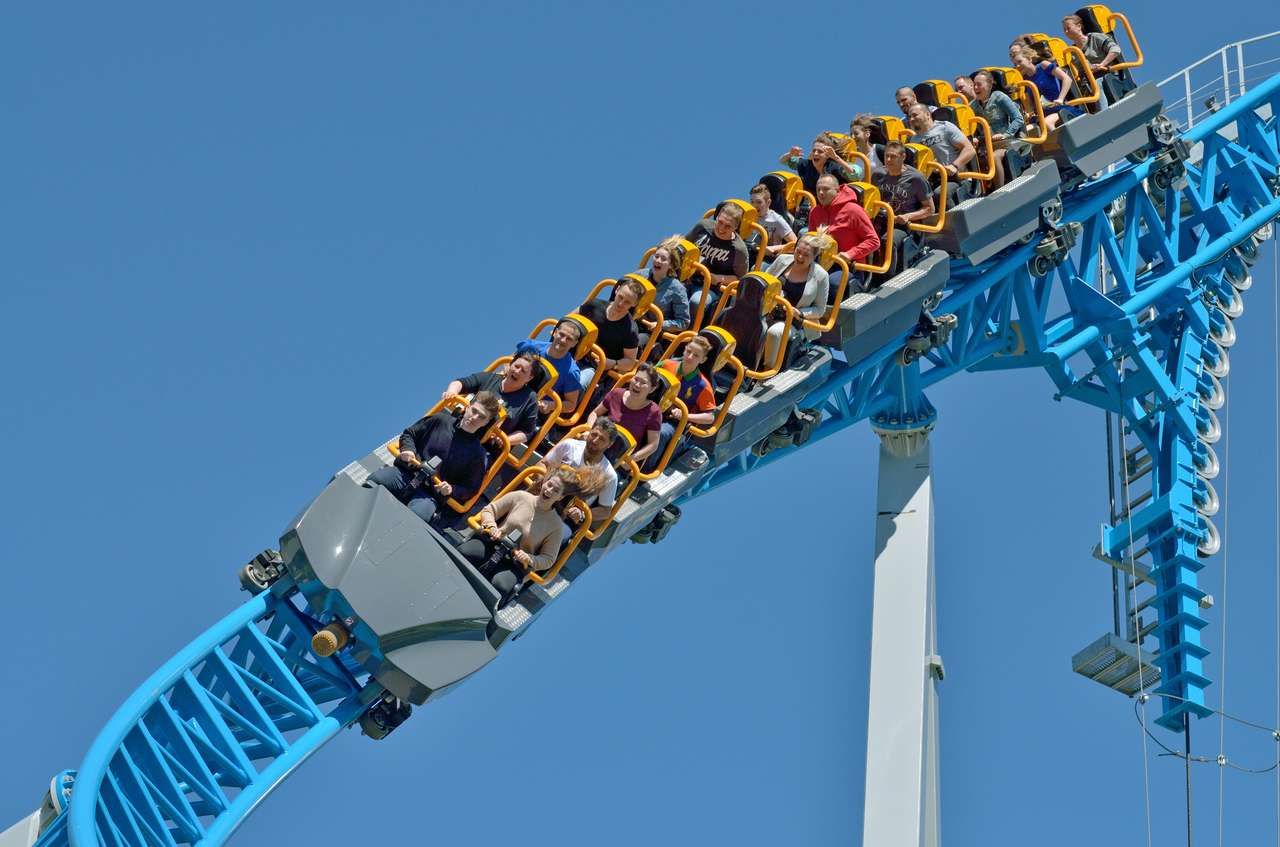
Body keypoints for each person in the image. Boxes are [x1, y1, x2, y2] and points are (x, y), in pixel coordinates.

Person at [368, 391, 500, 523]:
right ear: (468, 407)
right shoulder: (440, 420)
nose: (474, 417)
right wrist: (408, 450)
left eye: (481, 417)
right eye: (474, 411)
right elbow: (410, 434)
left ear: (486, 422)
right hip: (405, 475)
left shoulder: (477, 454)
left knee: (416, 517)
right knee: (376, 480)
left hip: (429, 495)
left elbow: (470, 488)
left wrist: (451, 489)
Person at [459, 467, 584, 596]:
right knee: (465, 552)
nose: (549, 490)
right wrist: (491, 527)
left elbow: (548, 559)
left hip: (514, 564)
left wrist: (529, 559)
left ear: (560, 497)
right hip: (492, 543)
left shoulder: (556, 526)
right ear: (545, 482)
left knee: (500, 585)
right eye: (549, 484)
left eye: (556, 490)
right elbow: (489, 510)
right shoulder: (520, 497)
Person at [441, 352, 540, 447]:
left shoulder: (529, 398)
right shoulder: (490, 378)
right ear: (511, 365)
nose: (517, 371)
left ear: (529, 378)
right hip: (460, 429)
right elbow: (460, 383)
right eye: (516, 366)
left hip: (486, 447)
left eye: (523, 371)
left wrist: (506, 439)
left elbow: (527, 432)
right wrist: (452, 392)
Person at [763, 233, 830, 363]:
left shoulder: (821, 276)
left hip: (792, 321)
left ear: (814, 257)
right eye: (798, 252)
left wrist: (799, 313)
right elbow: (764, 282)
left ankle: (768, 370)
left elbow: (820, 310)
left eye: (806, 255)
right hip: (768, 311)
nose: (800, 257)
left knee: (775, 332)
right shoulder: (782, 260)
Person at [807, 173, 880, 288]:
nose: (821, 193)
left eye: (825, 189)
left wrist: (850, 254)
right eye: (818, 189)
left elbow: (874, 241)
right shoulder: (815, 212)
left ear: (837, 190)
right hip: (821, 262)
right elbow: (811, 239)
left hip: (849, 267)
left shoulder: (853, 210)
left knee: (829, 283)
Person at [871, 142, 935, 273]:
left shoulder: (916, 178)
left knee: (888, 240)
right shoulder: (877, 175)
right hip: (882, 221)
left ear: (903, 157)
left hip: (905, 226)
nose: (889, 160)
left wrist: (907, 216)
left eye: (893, 156)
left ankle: (888, 277)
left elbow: (930, 209)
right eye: (886, 156)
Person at [544, 418, 620, 525]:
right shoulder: (569, 445)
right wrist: (542, 481)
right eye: (594, 434)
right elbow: (544, 463)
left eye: (602, 439)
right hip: (544, 494)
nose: (595, 441)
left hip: (564, 516)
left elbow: (605, 511)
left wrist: (582, 514)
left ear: (610, 444)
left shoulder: (609, 474)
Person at [587, 362, 663, 469]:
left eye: (643, 383)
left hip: (619, 460)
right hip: (597, 446)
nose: (637, 385)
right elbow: (595, 413)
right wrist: (588, 431)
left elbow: (653, 444)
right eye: (636, 379)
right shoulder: (616, 394)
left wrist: (630, 459)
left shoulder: (654, 412)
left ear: (652, 389)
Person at [576, 278, 643, 391]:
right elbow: (570, 319)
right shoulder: (594, 305)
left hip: (592, 367)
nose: (621, 303)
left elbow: (630, 361)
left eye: (627, 302)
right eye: (620, 297)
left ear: (634, 304)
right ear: (617, 290)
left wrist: (612, 363)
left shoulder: (630, 330)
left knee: (578, 384)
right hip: (572, 352)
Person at [685, 203, 749, 315]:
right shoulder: (703, 227)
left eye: (728, 226)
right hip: (686, 277)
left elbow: (740, 279)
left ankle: (688, 326)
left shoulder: (738, 249)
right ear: (717, 217)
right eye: (720, 222)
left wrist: (719, 278)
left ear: (735, 227)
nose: (721, 228)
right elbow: (684, 246)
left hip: (710, 287)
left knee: (696, 302)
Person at [907, 104, 976, 203]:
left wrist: (954, 166)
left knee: (940, 193)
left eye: (915, 115)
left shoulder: (944, 127)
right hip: (933, 182)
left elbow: (970, 149)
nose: (911, 119)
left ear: (927, 114)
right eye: (909, 117)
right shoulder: (914, 141)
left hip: (958, 178)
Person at [515, 318, 583, 417]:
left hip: (533, 409)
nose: (563, 340)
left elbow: (571, 404)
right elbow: (511, 361)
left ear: (574, 343)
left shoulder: (571, 371)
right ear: (555, 333)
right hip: (513, 390)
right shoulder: (532, 346)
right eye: (561, 334)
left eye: (569, 339)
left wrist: (551, 405)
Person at [970, 70, 1026, 189]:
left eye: (979, 84)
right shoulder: (972, 106)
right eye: (974, 85)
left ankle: (1000, 190)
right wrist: (974, 138)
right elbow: (972, 129)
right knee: (973, 160)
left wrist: (1006, 134)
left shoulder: (998, 97)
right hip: (986, 146)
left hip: (1007, 142)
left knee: (994, 157)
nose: (975, 88)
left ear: (990, 85)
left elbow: (1018, 119)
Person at [1062, 13, 1134, 104]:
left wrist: (1102, 64)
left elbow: (1115, 50)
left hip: (1109, 74)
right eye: (1064, 30)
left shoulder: (1095, 37)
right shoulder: (1073, 51)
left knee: (1097, 84)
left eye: (1068, 28)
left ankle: (1104, 110)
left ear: (1079, 26)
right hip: (1090, 80)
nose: (1066, 32)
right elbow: (1082, 69)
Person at [1011, 43, 1083, 131]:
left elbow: (1067, 79)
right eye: (1015, 64)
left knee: (1047, 122)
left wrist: (1060, 99)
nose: (1017, 66)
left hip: (1059, 108)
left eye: (1019, 62)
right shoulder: (1024, 80)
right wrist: (1030, 113)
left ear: (1029, 59)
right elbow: (1030, 102)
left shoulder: (1043, 66)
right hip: (1042, 114)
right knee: (1025, 131)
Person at [713, 274, 768, 372]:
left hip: (738, 372)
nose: (747, 295)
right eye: (745, 290)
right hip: (713, 362)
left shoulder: (760, 326)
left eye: (753, 292)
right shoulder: (726, 313)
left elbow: (752, 362)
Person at [778, 133, 864, 193]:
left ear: (827, 155)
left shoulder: (835, 166)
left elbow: (855, 174)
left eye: (820, 151)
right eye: (814, 150)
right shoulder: (806, 164)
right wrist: (790, 154)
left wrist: (836, 158)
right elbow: (782, 161)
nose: (815, 153)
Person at [646, 239, 691, 335]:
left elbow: (683, 322)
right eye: (656, 256)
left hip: (653, 332)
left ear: (670, 265)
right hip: (632, 321)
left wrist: (661, 324)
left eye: (663, 259)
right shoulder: (641, 274)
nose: (658, 260)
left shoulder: (677, 288)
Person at [749, 183, 797, 262]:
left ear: (768, 203)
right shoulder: (749, 217)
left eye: (759, 202)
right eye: (752, 202)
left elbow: (795, 244)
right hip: (751, 255)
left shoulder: (776, 219)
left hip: (770, 259)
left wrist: (774, 249)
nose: (755, 205)